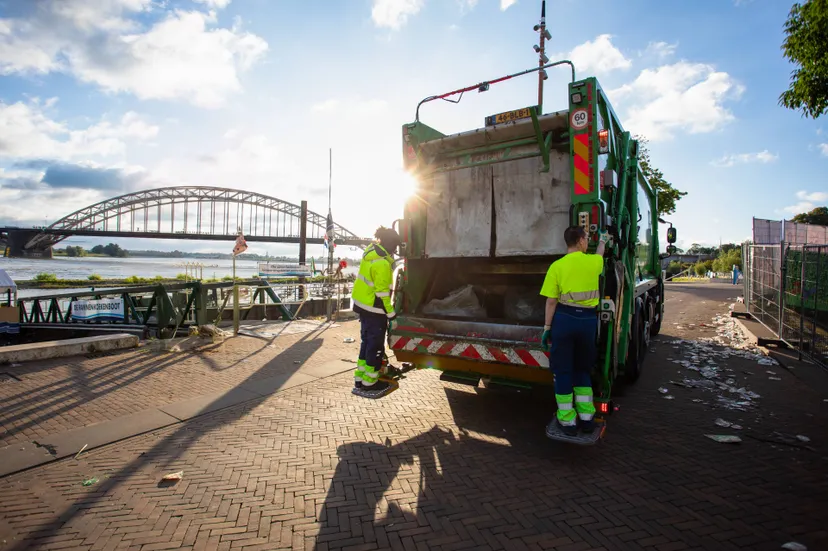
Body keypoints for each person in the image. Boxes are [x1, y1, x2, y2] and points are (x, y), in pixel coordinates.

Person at [540, 226, 609, 436]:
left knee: (562, 371)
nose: (588, 241)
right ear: (580, 241)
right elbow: (600, 255)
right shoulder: (593, 262)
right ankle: (587, 418)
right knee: (582, 370)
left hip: (564, 320)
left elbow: (551, 301)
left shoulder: (556, 266)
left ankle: (567, 421)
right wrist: (603, 241)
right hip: (587, 321)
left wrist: (547, 328)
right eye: (587, 238)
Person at [352, 226, 401, 394]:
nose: (395, 250)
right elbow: (382, 294)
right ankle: (370, 383)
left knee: (366, 343)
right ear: (390, 245)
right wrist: (391, 314)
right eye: (395, 247)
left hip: (363, 306)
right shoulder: (382, 263)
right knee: (376, 346)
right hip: (375, 310)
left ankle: (360, 379)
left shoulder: (370, 253)